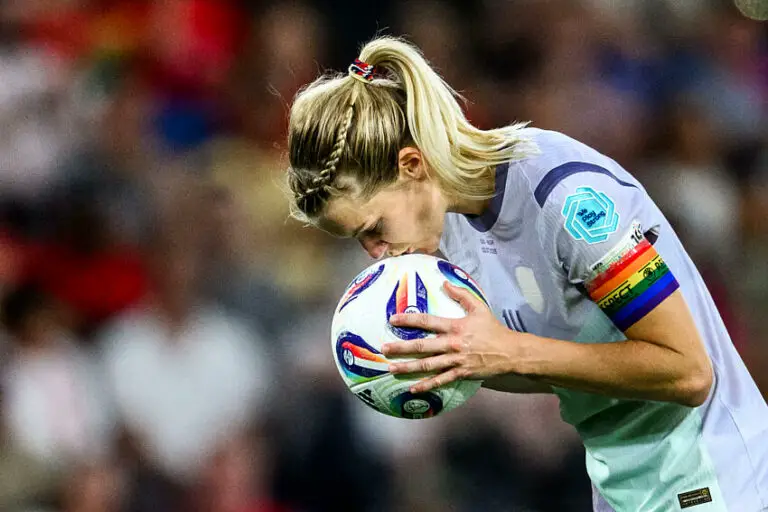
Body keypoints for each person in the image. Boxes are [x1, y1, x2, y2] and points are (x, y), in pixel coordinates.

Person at [284, 36, 768, 512]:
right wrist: (456, 362)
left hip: (715, 477)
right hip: (623, 487)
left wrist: (509, 352)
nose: (376, 254)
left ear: (412, 165)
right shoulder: (447, 231)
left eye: (374, 229)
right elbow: (552, 365)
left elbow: (689, 371)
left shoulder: (565, 196)